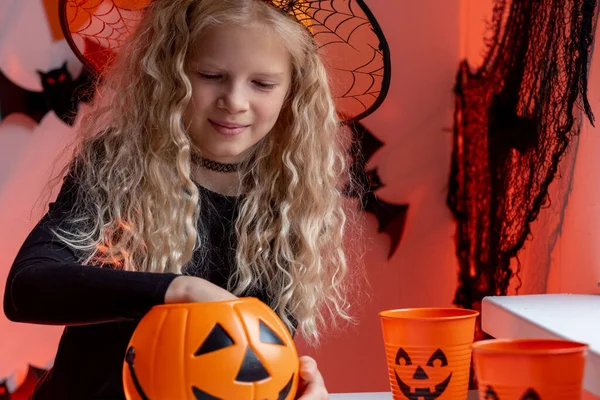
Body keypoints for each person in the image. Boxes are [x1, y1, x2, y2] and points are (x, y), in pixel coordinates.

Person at [3, 0, 389, 398]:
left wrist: (292, 382)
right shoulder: (120, 167)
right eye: (211, 75)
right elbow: (26, 289)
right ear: (170, 73)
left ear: (293, 91)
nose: (235, 101)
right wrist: (180, 290)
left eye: (263, 83)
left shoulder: (291, 192)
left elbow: (247, 356)